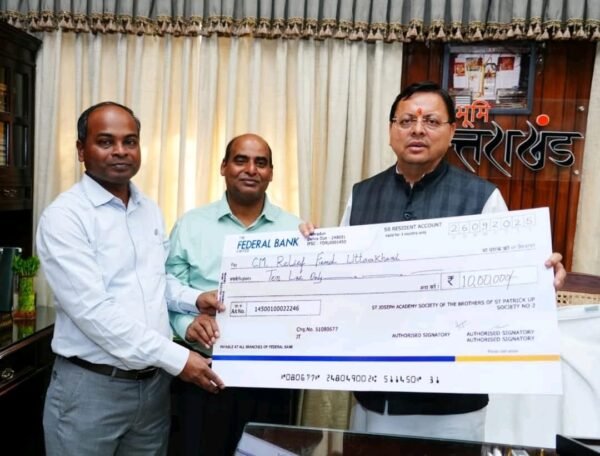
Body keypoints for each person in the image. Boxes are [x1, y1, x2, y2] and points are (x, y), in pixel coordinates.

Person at [300, 81, 566, 442]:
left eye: (431, 122)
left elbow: (508, 281)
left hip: (453, 405)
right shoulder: (362, 195)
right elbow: (343, 281)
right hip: (376, 399)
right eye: (406, 121)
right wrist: (308, 254)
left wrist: (539, 276)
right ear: (391, 131)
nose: (417, 130)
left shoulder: (482, 197)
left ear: (452, 131)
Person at [37, 101, 224, 456]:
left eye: (130, 141)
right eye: (105, 141)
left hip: (153, 388)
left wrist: (195, 299)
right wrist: (179, 359)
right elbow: (95, 313)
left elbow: (155, 281)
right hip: (91, 389)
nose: (120, 151)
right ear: (81, 150)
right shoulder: (64, 217)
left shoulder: (148, 209)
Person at [167, 133, 301, 456]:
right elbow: (165, 289)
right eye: (241, 160)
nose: (251, 169)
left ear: (271, 173)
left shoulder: (296, 230)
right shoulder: (191, 225)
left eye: (261, 163)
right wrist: (187, 325)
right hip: (202, 376)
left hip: (271, 381)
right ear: (223, 167)